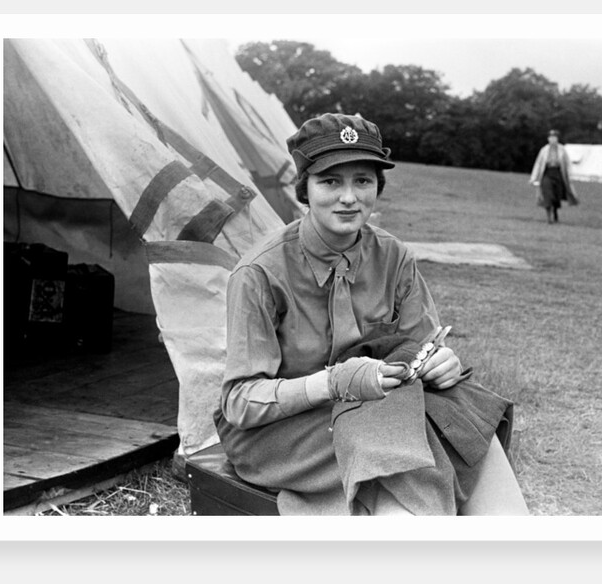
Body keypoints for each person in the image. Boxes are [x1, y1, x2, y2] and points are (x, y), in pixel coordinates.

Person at [213, 112, 529, 516]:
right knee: (405, 447)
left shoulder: (394, 256)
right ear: (305, 189)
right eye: (331, 181)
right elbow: (239, 402)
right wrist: (331, 383)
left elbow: (422, 348)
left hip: (378, 409)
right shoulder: (259, 273)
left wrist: (442, 363)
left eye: (362, 181)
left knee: (465, 418)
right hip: (282, 430)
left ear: (377, 186)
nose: (349, 197)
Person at [529, 129, 579, 223]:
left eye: (554, 137)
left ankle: (555, 211)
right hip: (547, 173)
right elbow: (538, 164)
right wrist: (533, 177)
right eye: (551, 137)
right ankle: (549, 217)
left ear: (557, 139)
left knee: (556, 195)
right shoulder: (544, 150)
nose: (552, 139)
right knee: (548, 194)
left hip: (558, 173)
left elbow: (568, 164)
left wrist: (570, 176)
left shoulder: (562, 149)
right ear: (548, 139)